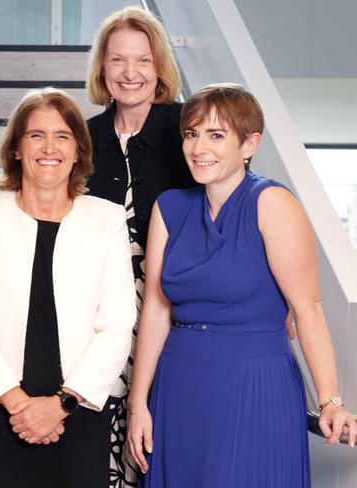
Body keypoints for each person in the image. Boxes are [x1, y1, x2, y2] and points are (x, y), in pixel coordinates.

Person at [127, 83, 357, 487]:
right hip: (179, 382)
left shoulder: (272, 203)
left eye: (217, 135)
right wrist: (138, 403)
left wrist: (330, 399)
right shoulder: (169, 208)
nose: (200, 148)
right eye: (192, 134)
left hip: (255, 383)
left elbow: (308, 308)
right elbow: (157, 310)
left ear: (249, 144)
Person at [0, 87, 136, 488]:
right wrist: (18, 404)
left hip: (78, 411)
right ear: (16, 148)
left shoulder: (107, 219)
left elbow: (117, 324)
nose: (49, 147)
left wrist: (62, 404)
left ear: (78, 151)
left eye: (63, 136)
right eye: (36, 135)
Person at [85, 6, 197, 485]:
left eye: (143, 61)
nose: (130, 73)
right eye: (118, 60)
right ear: (102, 68)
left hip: (170, 305)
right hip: (99, 307)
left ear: (160, 68)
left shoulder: (185, 129)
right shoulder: (84, 138)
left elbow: (234, 202)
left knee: (161, 425)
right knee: (104, 425)